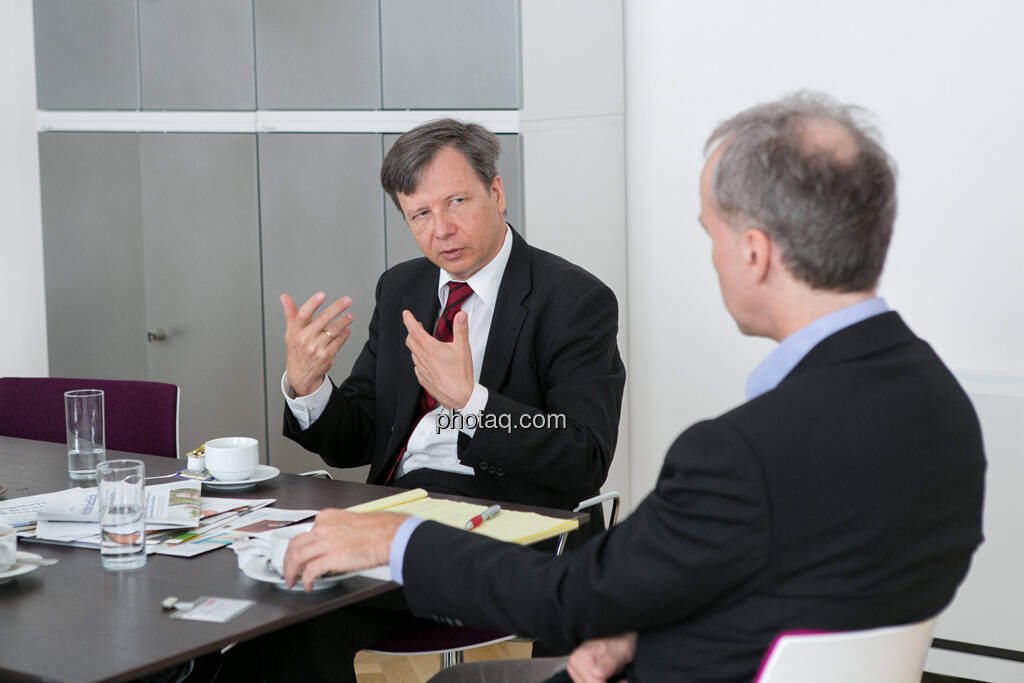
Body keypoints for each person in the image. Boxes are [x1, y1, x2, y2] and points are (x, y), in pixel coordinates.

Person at [281, 92, 986, 683]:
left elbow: (570, 596)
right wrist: (638, 627)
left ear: (753, 252)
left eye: (709, 233)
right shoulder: (941, 407)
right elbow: (812, 576)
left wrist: (396, 537)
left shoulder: (735, 453)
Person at [225, 119, 625, 682]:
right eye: (420, 214)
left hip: (498, 528)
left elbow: (584, 456)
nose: (441, 230)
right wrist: (309, 386)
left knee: (297, 626)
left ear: (497, 192)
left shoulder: (574, 301)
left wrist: (472, 401)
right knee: (251, 612)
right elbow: (361, 434)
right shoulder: (402, 289)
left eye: (457, 201)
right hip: (392, 508)